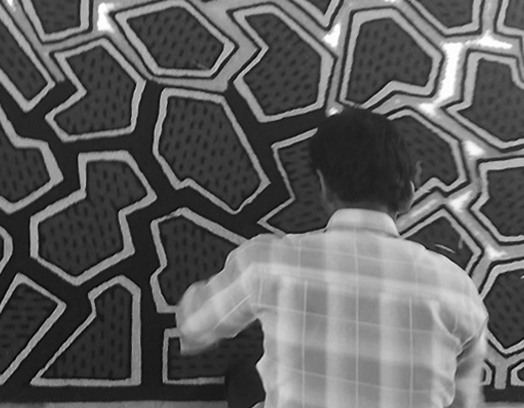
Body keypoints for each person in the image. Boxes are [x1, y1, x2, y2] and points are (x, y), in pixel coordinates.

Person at [176, 108, 488, 408]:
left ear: (325, 188)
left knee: (244, 380)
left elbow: (194, 325)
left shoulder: (268, 264)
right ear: (408, 195)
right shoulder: (458, 290)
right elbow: (464, 400)